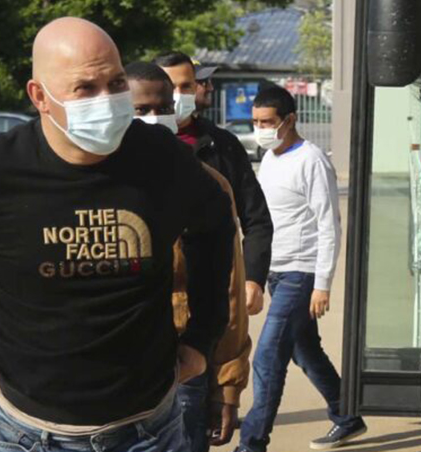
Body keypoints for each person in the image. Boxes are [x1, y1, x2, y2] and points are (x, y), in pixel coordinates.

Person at [0, 17, 233, 452]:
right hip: (25, 434)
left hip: (148, 431)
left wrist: (203, 336)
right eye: (85, 88)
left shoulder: (163, 160)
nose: (107, 100)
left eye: (114, 83)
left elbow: (215, 222)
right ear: (40, 96)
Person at [125, 61, 253, 451]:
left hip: (183, 367)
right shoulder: (88, 184)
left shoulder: (206, 186)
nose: (154, 118)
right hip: (107, 374)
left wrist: (227, 385)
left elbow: (226, 289)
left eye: (163, 108)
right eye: (141, 110)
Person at [236, 84, 367, 452]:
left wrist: (322, 283)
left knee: (268, 356)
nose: (261, 129)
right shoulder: (272, 159)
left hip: (301, 273)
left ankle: (252, 443)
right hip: (277, 272)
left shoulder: (312, 160)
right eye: (256, 121)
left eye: (268, 122)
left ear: (289, 120)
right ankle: (346, 414)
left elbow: (329, 224)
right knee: (304, 350)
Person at [155, 51, 274, 442]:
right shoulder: (126, 157)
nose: (177, 95)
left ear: (198, 88)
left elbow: (255, 219)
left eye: (186, 86)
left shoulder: (221, 148)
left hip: (202, 332)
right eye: (169, 87)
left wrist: (254, 278)